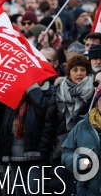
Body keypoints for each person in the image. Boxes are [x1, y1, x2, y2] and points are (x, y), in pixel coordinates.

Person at [40, 55, 93, 194]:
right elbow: (49, 126)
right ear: (68, 72)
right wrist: (44, 154)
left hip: (87, 150)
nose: (79, 73)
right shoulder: (58, 94)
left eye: (82, 69)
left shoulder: (93, 95)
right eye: (75, 70)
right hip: (62, 151)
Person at [62, 87, 101, 196]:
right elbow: (66, 152)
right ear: (97, 102)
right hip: (88, 190)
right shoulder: (83, 125)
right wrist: (79, 161)